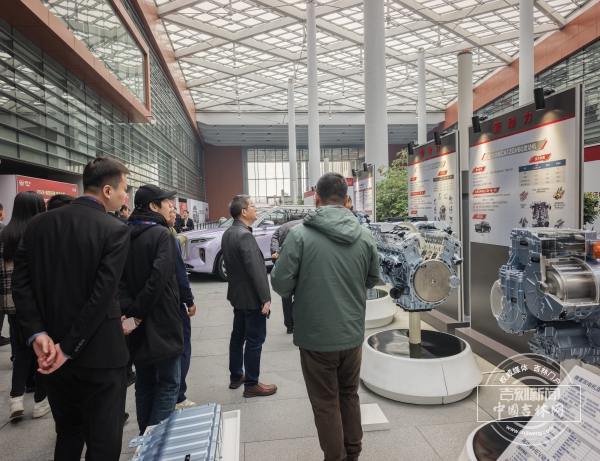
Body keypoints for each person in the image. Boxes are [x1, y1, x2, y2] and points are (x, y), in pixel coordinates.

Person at [12, 157, 131, 461]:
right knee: (104, 442)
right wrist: (67, 348)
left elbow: (20, 285)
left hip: (50, 352)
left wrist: (37, 333)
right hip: (100, 355)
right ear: (107, 190)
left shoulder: (38, 224)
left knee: (67, 431)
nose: (125, 196)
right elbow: (102, 296)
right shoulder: (114, 229)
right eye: (124, 189)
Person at [271, 172, 380, 461]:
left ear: (316, 198)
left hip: (316, 335)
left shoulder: (299, 235)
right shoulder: (365, 235)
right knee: (349, 394)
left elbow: (281, 284)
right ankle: (353, 453)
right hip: (352, 333)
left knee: (325, 402)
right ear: (347, 200)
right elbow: (373, 279)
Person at [118, 185, 183, 435]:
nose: (171, 206)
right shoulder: (162, 235)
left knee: (144, 383)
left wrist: (132, 312)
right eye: (167, 202)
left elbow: (119, 281)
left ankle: (144, 438)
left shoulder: (123, 233)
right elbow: (159, 278)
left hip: (135, 323)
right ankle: (153, 442)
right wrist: (138, 311)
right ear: (153, 207)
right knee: (169, 382)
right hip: (162, 320)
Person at [1, 191, 50, 420]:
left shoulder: (4, 234)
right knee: (43, 350)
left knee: (21, 350)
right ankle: (40, 401)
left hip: (11, 303)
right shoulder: (40, 233)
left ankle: (16, 398)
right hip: (38, 303)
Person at [221, 195, 277, 397]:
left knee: (238, 338)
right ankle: (252, 383)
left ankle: (236, 376)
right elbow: (256, 270)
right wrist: (265, 298)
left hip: (238, 297)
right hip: (251, 299)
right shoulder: (244, 235)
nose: (256, 209)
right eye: (253, 206)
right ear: (244, 212)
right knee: (255, 340)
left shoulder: (228, 232)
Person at [166, 206, 197, 410]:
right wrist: (189, 300)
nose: (174, 213)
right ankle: (178, 396)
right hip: (170, 305)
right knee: (181, 347)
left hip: (140, 311)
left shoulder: (128, 231)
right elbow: (179, 274)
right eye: (168, 207)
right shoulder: (166, 238)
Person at [270, 215, 302, 334]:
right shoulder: (304, 225)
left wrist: (275, 251)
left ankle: (289, 325)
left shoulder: (283, 227)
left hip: (285, 264)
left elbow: (274, 238)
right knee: (301, 293)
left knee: (286, 295)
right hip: (300, 263)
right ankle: (298, 321)